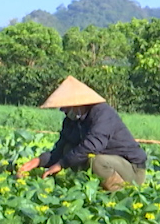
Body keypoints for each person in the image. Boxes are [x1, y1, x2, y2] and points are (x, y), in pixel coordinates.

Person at [18, 76, 147, 192]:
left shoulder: (103, 114)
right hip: (109, 164)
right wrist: (38, 161)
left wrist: (61, 164)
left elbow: (92, 146)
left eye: (66, 107)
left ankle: (120, 194)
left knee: (96, 161)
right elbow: (60, 150)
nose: (63, 111)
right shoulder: (71, 121)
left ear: (77, 104)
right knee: (69, 149)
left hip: (132, 169)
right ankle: (93, 188)